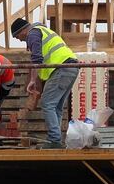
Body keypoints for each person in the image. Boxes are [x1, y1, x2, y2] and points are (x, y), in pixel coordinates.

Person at [10, 17, 79, 148]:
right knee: (56, 106)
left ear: (22, 30)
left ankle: (54, 140)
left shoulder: (33, 34)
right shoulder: (42, 31)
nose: (18, 39)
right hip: (71, 68)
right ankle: (56, 140)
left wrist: (32, 80)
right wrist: (36, 82)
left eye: (17, 36)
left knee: (47, 104)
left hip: (62, 68)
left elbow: (37, 59)